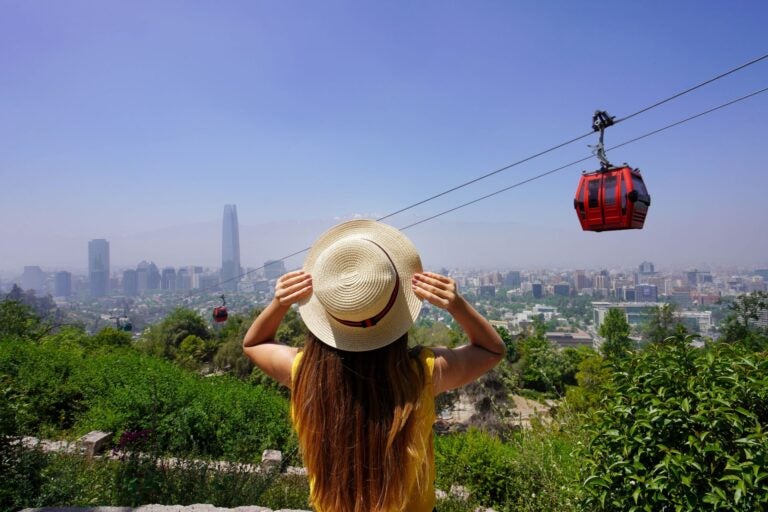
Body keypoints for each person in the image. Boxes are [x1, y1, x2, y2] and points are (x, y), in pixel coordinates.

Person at [243, 219, 504, 512]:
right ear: (398, 311)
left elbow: (253, 344)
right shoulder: (421, 374)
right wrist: (456, 304)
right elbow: (491, 349)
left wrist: (279, 302)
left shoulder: (306, 371)